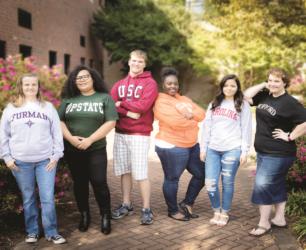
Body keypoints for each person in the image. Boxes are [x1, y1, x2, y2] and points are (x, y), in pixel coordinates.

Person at [0, 74, 66, 244]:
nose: (30, 87)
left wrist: (56, 155)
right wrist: (7, 158)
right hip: (20, 163)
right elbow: (3, 136)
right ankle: (32, 232)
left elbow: (57, 133)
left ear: (38, 87)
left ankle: (51, 232)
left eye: (33, 84)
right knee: (28, 198)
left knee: (47, 198)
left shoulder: (48, 107)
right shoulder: (11, 108)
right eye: (27, 84)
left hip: (45, 162)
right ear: (21, 86)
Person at [244, 68, 306, 236]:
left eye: (277, 81)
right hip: (264, 152)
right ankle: (279, 219)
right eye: (270, 80)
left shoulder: (290, 103)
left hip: (279, 153)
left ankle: (264, 223)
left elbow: (305, 122)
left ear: (285, 83)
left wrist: (290, 136)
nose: (272, 83)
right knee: (277, 184)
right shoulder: (265, 95)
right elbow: (246, 96)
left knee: (262, 185)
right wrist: (265, 84)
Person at [58, 65, 118, 235]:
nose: (82, 79)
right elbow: (59, 121)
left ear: (93, 79)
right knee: (80, 184)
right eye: (78, 78)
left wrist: (90, 139)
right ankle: (85, 215)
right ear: (73, 82)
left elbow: (110, 122)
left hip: (96, 149)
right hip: (73, 149)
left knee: (99, 182)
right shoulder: (69, 100)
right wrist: (70, 138)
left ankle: (105, 216)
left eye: (85, 76)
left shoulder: (104, 98)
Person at [110, 49, 158, 225]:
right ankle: (126, 204)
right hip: (121, 132)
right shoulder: (119, 84)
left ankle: (146, 208)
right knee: (124, 171)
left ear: (144, 64)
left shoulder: (150, 83)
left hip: (139, 133)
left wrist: (121, 104)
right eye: (134, 60)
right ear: (128, 62)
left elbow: (143, 106)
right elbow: (110, 105)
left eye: (140, 61)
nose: (136, 64)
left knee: (141, 173)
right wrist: (128, 112)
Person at [154, 67, 205, 221]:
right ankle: (173, 210)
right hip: (172, 145)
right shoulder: (160, 101)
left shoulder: (184, 99)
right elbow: (176, 122)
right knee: (172, 178)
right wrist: (191, 119)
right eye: (169, 83)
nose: (172, 86)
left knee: (202, 174)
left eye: (175, 83)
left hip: (191, 144)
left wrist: (191, 117)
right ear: (163, 85)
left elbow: (202, 114)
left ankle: (187, 203)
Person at [200, 74, 252, 226]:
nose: (229, 88)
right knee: (210, 182)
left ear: (237, 88)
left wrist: (244, 151)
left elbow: (246, 128)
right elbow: (206, 127)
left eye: (233, 86)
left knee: (227, 183)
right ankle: (216, 210)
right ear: (222, 87)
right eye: (226, 85)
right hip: (213, 149)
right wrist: (203, 148)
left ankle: (225, 212)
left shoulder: (242, 104)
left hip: (232, 149)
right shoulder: (214, 103)